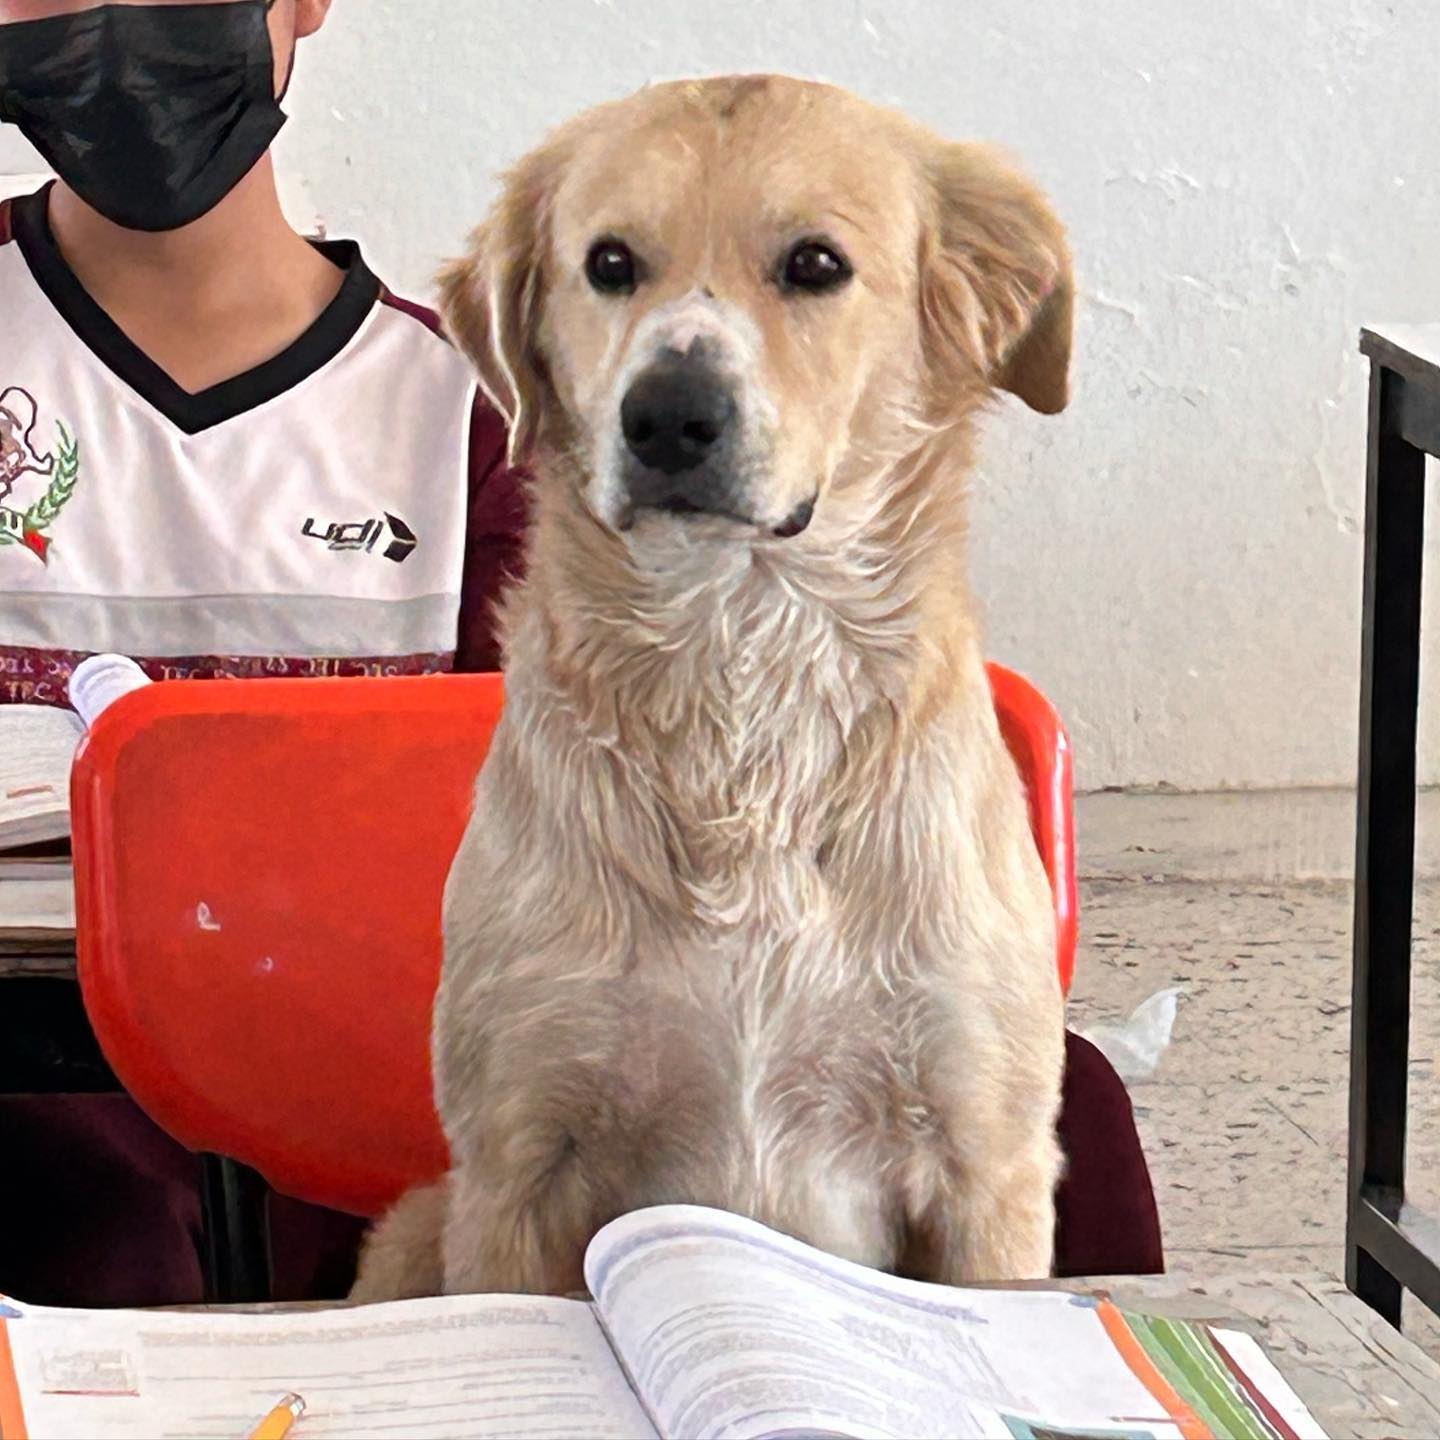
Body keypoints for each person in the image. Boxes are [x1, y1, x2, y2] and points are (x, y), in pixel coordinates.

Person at [0, 0, 1160, 1307]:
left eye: (813, 269)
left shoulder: (456, 408)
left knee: (1082, 1136)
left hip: (367, 1012)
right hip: (73, 1038)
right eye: (617, 270)